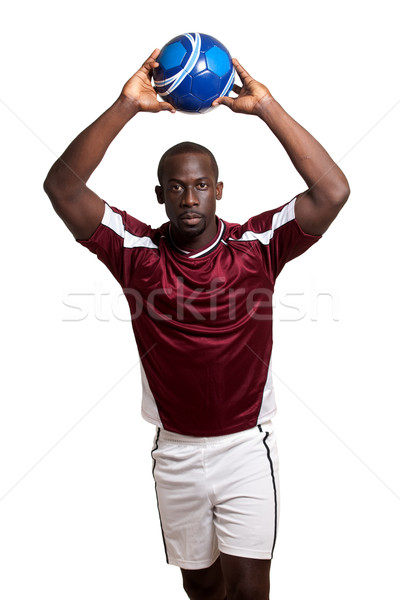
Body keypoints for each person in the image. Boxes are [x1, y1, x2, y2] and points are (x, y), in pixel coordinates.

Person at [44, 49, 350, 600]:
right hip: (176, 451)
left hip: (245, 449)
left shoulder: (256, 247)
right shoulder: (137, 252)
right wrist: (125, 107)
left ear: (219, 189)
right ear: (160, 195)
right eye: (178, 187)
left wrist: (268, 108)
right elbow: (61, 188)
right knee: (203, 589)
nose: (190, 197)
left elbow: (333, 191)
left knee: (251, 590)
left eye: (201, 185)